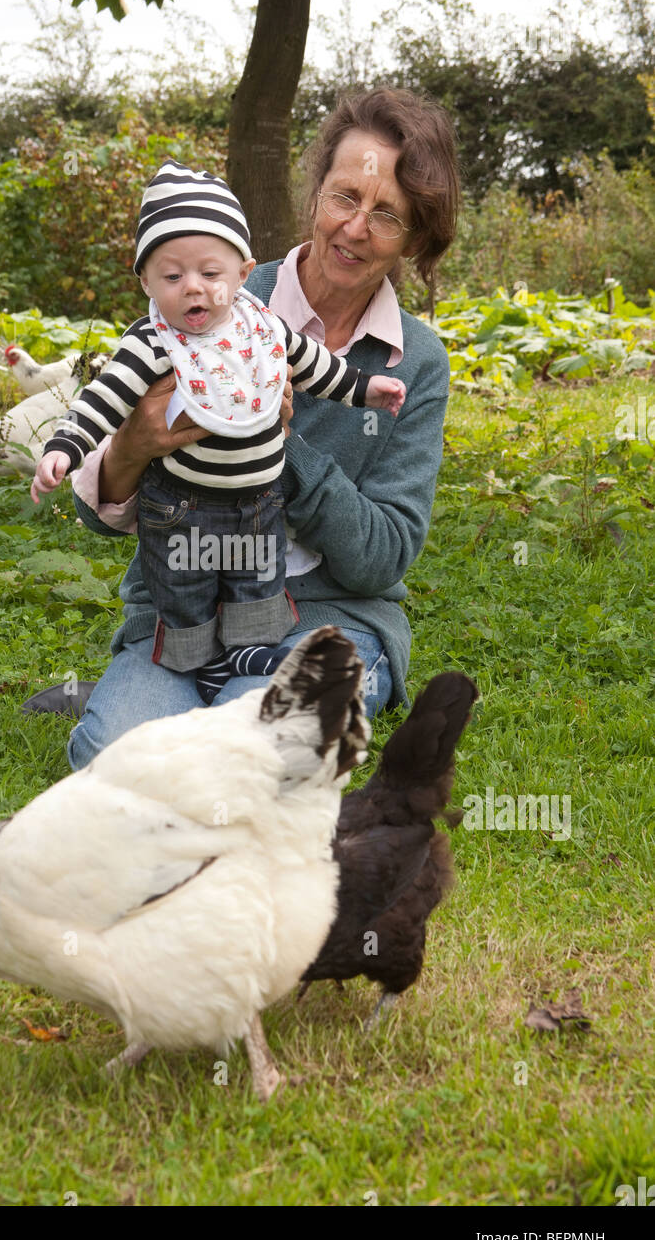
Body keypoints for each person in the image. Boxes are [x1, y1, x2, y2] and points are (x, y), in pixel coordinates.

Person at [24, 87, 460, 776]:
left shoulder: (415, 362)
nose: (354, 229)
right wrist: (135, 442)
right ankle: (156, 695)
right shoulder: (210, 290)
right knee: (116, 757)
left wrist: (276, 443)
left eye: (386, 215)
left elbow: (381, 557)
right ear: (316, 194)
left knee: (260, 748)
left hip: (328, 621)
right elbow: (94, 513)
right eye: (345, 196)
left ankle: (211, 708)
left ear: (416, 236)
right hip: (185, 606)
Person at [31, 159, 406, 702]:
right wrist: (66, 446)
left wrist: (368, 388)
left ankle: (247, 653)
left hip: (260, 500)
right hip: (184, 507)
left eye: (210, 275)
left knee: (257, 576)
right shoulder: (156, 341)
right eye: (172, 276)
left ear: (243, 272)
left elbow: (316, 365)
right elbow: (105, 397)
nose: (194, 292)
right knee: (185, 588)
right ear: (144, 280)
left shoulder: (260, 326)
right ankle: (191, 664)